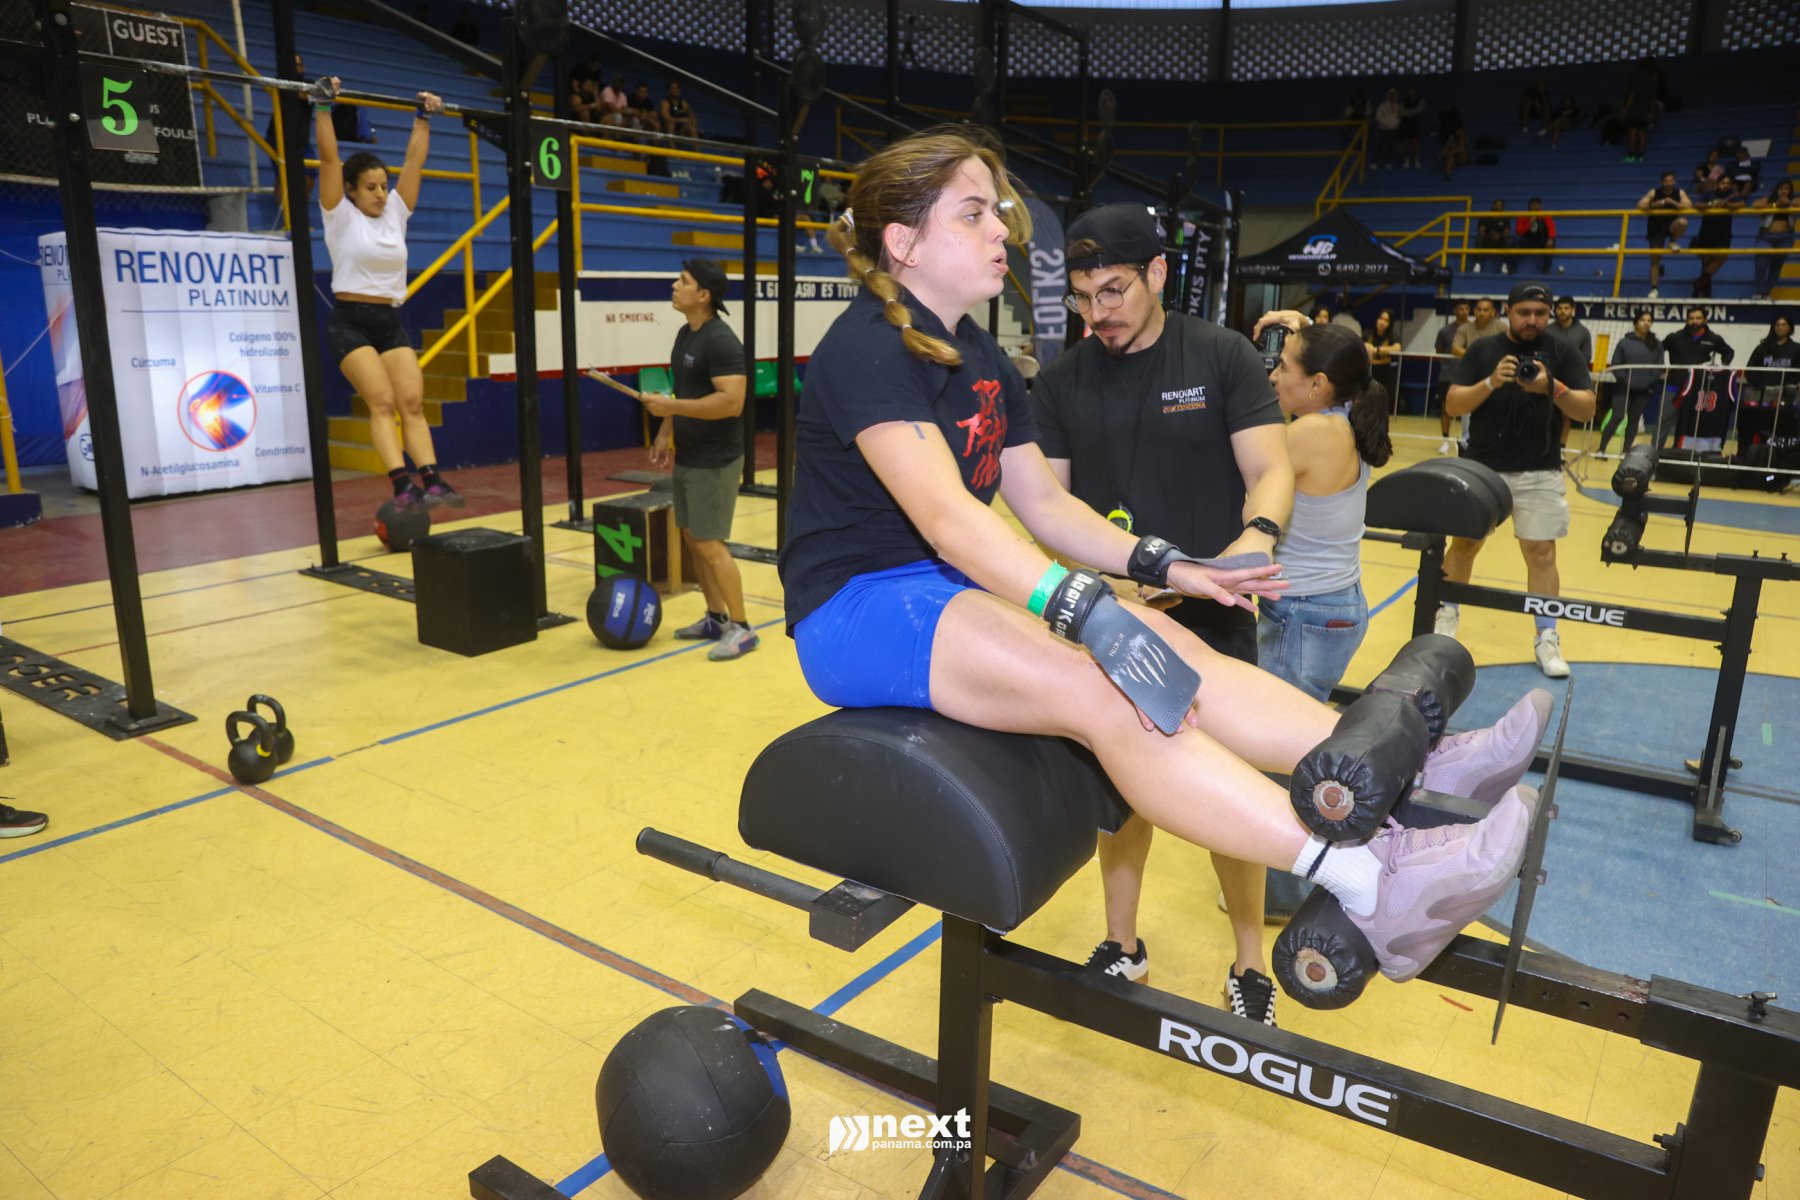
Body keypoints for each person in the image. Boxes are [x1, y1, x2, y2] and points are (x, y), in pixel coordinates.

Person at [781, 124, 1546, 1021]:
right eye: (974, 213)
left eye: (998, 211)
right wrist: (1077, 606)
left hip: (938, 592)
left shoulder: (981, 358)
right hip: (857, 609)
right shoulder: (868, 348)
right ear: (904, 241)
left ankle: (1416, 774)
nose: (1002, 232)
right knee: (1115, 688)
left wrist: (1169, 565)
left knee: (1178, 650)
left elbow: (1045, 504)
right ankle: (1371, 881)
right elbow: (950, 519)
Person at [1029, 203, 1293, 1021]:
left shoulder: (1220, 355)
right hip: (1111, 615)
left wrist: (1252, 540)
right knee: (1122, 789)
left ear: (1157, 273)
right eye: (1082, 297)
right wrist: (1104, 585)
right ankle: (1123, 945)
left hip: (1214, 612)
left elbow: (1271, 469)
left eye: (1112, 290)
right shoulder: (1061, 381)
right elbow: (1049, 509)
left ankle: (1251, 963)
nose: (1097, 312)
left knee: (1228, 794)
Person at [314, 77, 462, 511]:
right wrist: (322, 107)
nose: (381, 194)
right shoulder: (338, 215)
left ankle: (432, 481)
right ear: (351, 190)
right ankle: (402, 485)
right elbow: (329, 159)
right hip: (350, 322)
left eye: (383, 186)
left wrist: (423, 117)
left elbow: (414, 162)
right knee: (382, 403)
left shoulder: (396, 211)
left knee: (412, 402)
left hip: (388, 320)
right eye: (371, 187)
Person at [1438, 281, 1597, 678]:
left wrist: (1552, 386)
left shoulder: (1563, 352)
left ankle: (1547, 637)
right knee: (1465, 545)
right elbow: (1452, 405)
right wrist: (1491, 382)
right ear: (1508, 311)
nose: (1532, 320)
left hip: (1539, 469)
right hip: (1483, 468)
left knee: (1542, 553)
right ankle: (1445, 620)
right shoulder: (1482, 350)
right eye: (1524, 312)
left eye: (1540, 314)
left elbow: (1587, 410)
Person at [640, 259, 756, 661]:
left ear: (703, 295)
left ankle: (742, 628)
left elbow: (731, 402)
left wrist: (672, 408)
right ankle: (716, 618)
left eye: (684, 281)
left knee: (709, 542)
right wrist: (665, 429)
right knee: (693, 538)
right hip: (689, 453)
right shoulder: (685, 335)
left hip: (716, 458)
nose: (675, 286)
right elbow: (683, 392)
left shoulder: (721, 342)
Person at [1659, 305, 1735, 450]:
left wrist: (1721, 368)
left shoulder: (1714, 339)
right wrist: (1660, 368)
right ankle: (1655, 452)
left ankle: (1680, 452)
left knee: (1689, 423)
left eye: (1698, 318)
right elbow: (1657, 350)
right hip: (1673, 386)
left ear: (1705, 320)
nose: (1694, 321)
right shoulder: (1674, 337)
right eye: (1691, 318)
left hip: (1696, 391)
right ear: (1687, 320)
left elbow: (1729, 352)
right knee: (1664, 420)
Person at [1596, 309, 1662, 456]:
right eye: (1642, 320)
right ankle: (1601, 449)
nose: (1646, 323)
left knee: (1634, 420)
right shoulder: (1624, 343)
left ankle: (1626, 451)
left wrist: (1648, 382)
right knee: (1617, 416)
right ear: (1636, 323)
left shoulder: (1656, 344)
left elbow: (1658, 367)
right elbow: (1616, 364)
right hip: (1623, 388)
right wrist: (1626, 381)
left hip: (1643, 390)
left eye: (1649, 321)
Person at [1638, 172, 1693, 299]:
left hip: (1671, 225)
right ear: (1662, 182)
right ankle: (1654, 289)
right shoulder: (1654, 192)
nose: (1669, 183)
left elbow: (1689, 206)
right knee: (1655, 259)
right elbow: (1640, 205)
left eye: (1671, 181)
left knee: (1683, 222)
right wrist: (1653, 205)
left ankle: (1673, 241)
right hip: (1655, 228)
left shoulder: (1679, 192)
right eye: (1666, 181)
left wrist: (1674, 203)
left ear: (1675, 181)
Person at [1691, 175, 1745, 299]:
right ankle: (1704, 293)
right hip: (1707, 232)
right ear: (1718, 183)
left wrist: (1727, 204)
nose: (1725, 185)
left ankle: (1699, 282)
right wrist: (1711, 204)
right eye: (1723, 183)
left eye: (1728, 183)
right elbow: (1697, 205)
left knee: (1722, 257)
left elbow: (1742, 204)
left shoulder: (1733, 195)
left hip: (1724, 233)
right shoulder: (1709, 194)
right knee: (1706, 263)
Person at [1433, 300, 1471, 452]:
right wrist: (1448, 365)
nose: (1464, 311)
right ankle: (1445, 441)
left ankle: (1466, 439)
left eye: (1467, 308)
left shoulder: (1474, 329)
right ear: (1455, 310)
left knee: (1469, 410)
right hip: (1448, 375)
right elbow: (1439, 351)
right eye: (1461, 308)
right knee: (1446, 408)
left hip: (1468, 375)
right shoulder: (1445, 331)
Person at [1753, 179, 1795, 300]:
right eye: (1781, 189)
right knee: (1761, 263)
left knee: (1776, 266)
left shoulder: (1794, 201)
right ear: (1776, 190)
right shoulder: (1769, 200)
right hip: (1766, 236)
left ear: (1790, 191)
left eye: (1786, 189)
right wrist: (1775, 205)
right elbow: (1755, 205)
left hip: (1785, 237)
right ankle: (1759, 292)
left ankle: (1766, 293)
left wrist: (1789, 204)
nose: (1783, 191)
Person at [1619, 58, 1661, 163]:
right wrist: (1651, 112)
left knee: (1632, 133)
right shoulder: (1652, 80)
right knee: (1641, 132)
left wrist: (1625, 110)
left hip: (1635, 109)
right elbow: (1653, 99)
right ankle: (1641, 155)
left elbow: (1631, 95)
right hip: (1645, 110)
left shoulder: (1636, 79)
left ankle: (1631, 155)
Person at [1362, 307, 1402, 403]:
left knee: (1385, 399)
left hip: (1386, 372)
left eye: (1386, 320)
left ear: (1390, 323)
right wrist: (1367, 345)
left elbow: (1397, 348)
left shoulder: (1393, 336)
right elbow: (1360, 344)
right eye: (1380, 318)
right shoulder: (1367, 334)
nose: (1382, 322)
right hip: (1369, 370)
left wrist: (1377, 349)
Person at [1514, 198, 1556, 275]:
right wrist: (1529, 223)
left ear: (1540, 206)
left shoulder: (1545, 215)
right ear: (1529, 205)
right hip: (1527, 241)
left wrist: (1551, 238)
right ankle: (1512, 267)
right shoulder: (1523, 216)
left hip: (1540, 241)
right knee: (1516, 240)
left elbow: (1551, 227)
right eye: (1533, 204)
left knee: (1552, 241)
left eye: (1537, 204)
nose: (1535, 206)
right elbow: (1519, 232)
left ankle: (1546, 268)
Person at [1474, 199, 1510, 274]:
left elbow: (1506, 231)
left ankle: (1504, 264)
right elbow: (1481, 231)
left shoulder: (1505, 218)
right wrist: (1490, 235)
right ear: (1493, 206)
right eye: (1496, 205)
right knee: (1479, 239)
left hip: (1499, 240)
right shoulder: (1485, 216)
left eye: (1499, 206)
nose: (1497, 207)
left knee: (1508, 240)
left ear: (1502, 208)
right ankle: (1477, 264)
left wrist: (1499, 236)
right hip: (1488, 240)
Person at [1372, 87, 1401, 169]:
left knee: (1391, 146)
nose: (1392, 96)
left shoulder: (1397, 106)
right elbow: (1378, 117)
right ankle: (1375, 163)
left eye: (1394, 95)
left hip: (1393, 129)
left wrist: (1395, 125)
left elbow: (1399, 117)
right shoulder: (1382, 105)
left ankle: (1388, 162)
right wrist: (1387, 124)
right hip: (1383, 129)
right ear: (1388, 95)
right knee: (1380, 145)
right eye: (1391, 95)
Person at [1398, 87, 1424, 169]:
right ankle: (1406, 161)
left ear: (1415, 91)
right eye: (1409, 91)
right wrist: (1412, 112)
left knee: (1415, 143)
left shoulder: (1420, 101)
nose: (1410, 92)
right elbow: (1401, 113)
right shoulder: (1403, 102)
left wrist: (1408, 112)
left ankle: (1417, 161)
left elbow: (1419, 110)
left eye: (1412, 90)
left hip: (1415, 124)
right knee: (1406, 143)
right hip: (1405, 124)